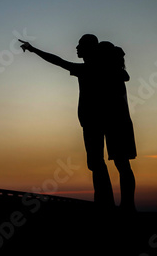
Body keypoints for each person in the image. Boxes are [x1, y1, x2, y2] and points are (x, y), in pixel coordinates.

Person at [19, 35, 137, 212]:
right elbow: (58, 61)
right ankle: (122, 206)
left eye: (80, 44)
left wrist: (33, 49)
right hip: (112, 123)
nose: (76, 47)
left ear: (90, 48)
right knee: (115, 164)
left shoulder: (91, 70)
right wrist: (33, 49)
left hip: (101, 123)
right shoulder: (112, 70)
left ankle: (108, 205)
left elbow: (57, 61)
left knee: (103, 164)